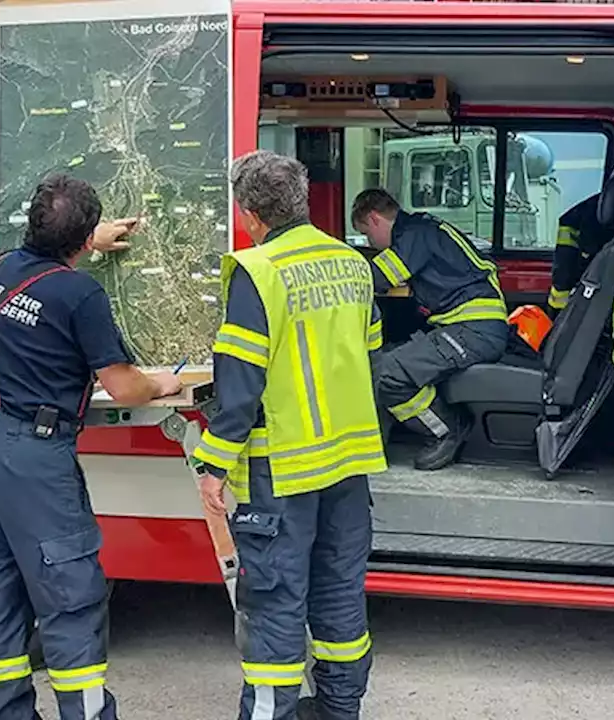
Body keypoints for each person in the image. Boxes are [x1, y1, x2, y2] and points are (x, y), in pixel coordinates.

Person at [0, 174, 183, 720]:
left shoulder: (2, 268)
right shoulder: (80, 295)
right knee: (70, 603)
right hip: (32, 463)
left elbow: (43, 269)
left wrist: (87, 240)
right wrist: (163, 384)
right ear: (81, 240)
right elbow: (125, 386)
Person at [192, 149, 386, 720]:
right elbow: (369, 357)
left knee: (275, 605)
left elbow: (240, 385)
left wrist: (213, 465)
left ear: (250, 213)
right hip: (348, 466)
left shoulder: (258, 270)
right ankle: (339, 710)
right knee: (341, 597)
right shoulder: (353, 263)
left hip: (282, 470)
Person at [350, 188, 509, 471]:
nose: (370, 243)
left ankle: (448, 427)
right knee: (383, 358)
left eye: (366, 235)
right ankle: (373, 443)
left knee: (386, 374)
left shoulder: (413, 234)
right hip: (470, 327)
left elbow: (375, 278)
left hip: (473, 330)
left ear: (374, 219)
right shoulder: (422, 229)